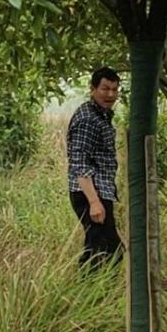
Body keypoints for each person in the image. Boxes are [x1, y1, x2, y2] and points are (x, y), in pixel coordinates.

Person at [67, 68, 123, 268]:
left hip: (98, 191)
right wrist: (94, 202)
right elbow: (79, 162)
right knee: (106, 251)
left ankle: (94, 295)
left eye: (115, 90)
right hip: (90, 192)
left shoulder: (100, 115)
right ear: (92, 89)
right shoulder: (88, 119)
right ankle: (90, 294)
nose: (110, 95)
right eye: (105, 89)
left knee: (101, 249)